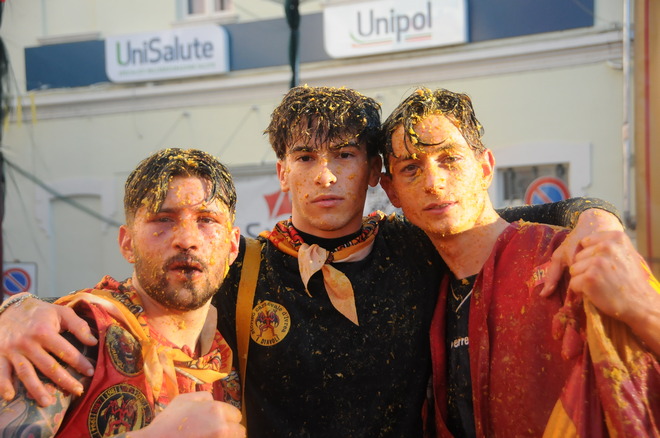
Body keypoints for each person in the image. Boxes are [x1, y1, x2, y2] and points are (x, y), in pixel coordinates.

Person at [0, 87, 624, 437]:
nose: (325, 176)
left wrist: (598, 219)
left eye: (345, 155)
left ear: (374, 171)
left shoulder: (419, 246)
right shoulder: (239, 264)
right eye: (305, 157)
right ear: (282, 171)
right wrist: (18, 309)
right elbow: (140, 297)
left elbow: (521, 219)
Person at [379, 87, 660, 436]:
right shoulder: (419, 284)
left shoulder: (570, 256)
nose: (434, 183)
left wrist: (645, 311)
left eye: (450, 159)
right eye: (411, 168)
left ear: (485, 168)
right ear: (391, 191)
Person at [0, 148, 246, 437]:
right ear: (127, 243)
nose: (187, 239)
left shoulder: (233, 354)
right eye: (163, 219)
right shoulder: (75, 334)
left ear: (232, 247)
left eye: (207, 220)